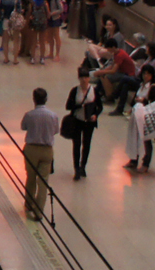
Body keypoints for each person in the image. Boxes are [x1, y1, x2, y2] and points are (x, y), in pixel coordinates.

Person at [20, 87, 59, 222]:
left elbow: (23, 127)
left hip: (31, 149)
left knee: (31, 177)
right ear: (46, 99)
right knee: (43, 181)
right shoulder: (53, 115)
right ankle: (39, 212)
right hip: (47, 150)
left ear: (34, 99)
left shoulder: (29, 115)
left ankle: (29, 204)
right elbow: (56, 131)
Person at [63, 68, 99, 178]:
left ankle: (83, 166)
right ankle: (76, 168)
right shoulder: (75, 91)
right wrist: (79, 106)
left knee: (86, 144)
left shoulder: (94, 91)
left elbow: (99, 106)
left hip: (89, 122)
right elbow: (68, 106)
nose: (84, 80)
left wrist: (95, 115)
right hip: (77, 121)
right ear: (79, 78)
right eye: (82, 77)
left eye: (86, 77)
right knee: (77, 144)